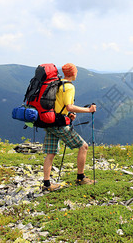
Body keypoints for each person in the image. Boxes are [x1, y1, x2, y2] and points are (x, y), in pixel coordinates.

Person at [42, 63, 97, 191]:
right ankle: (81, 177)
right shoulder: (69, 87)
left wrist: (69, 115)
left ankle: (46, 184)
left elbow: (59, 105)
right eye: (76, 71)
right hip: (59, 124)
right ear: (73, 73)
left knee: (50, 153)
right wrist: (89, 110)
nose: (76, 73)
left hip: (49, 121)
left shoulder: (56, 84)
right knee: (83, 146)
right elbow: (69, 106)